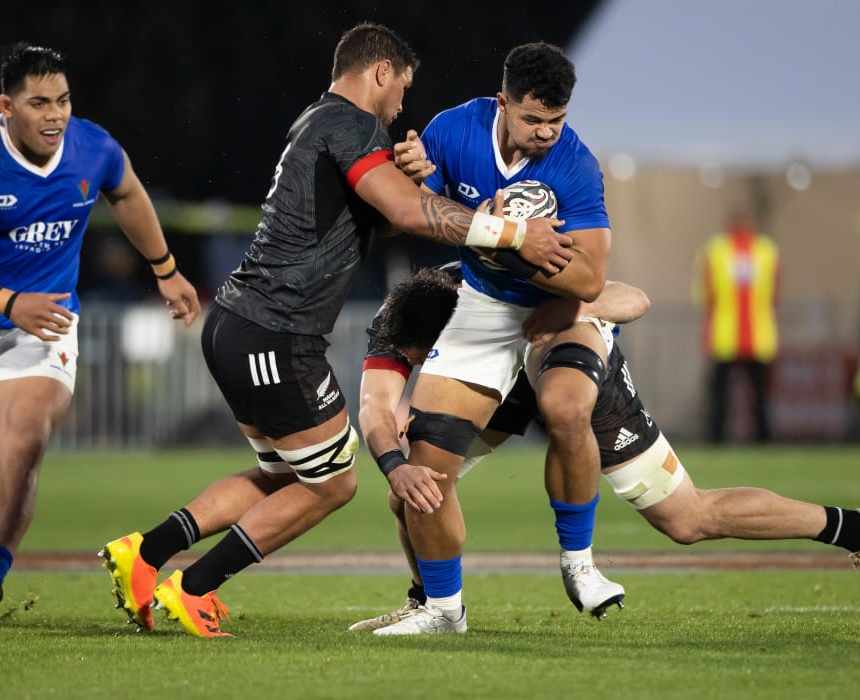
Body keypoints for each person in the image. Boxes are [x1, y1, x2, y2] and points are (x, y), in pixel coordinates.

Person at [99, 22, 573, 638]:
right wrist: (512, 233)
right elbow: (404, 211)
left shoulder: (317, 120)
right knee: (333, 485)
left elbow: (395, 212)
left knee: (283, 478)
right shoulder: (353, 124)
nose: (401, 107)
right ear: (381, 72)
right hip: (277, 332)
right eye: (402, 89)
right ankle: (195, 588)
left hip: (241, 324)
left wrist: (417, 176)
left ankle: (147, 553)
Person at [349, 266, 860, 632]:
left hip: (567, 371)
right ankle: (432, 606)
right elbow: (375, 408)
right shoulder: (398, 321)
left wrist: (569, 313)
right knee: (413, 485)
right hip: (500, 392)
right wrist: (394, 465)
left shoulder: (507, 282)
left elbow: (631, 297)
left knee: (687, 519)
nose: (420, 370)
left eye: (426, 360)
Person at [0, 43, 201, 627]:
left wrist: (166, 270)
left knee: (25, 443)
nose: (55, 115)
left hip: (46, 324)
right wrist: (8, 302)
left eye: (62, 100)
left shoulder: (93, 147)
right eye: (39, 103)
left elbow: (127, 191)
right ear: (6, 107)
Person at [373, 42, 615, 635]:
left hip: (559, 314)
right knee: (425, 469)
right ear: (502, 102)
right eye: (533, 119)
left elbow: (590, 279)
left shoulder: (576, 165)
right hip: (482, 309)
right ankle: (443, 611)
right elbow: (414, 215)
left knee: (572, 413)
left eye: (557, 120)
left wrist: (504, 244)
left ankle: (580, 564)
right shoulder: (454, 130)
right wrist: (418, 179)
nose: (546, 132)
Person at [693, 211, 780, 443]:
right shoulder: (767, 251)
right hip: (755, 334)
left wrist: (707, 330)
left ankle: (716, 437)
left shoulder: (715, 251)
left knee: (723, 392)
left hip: (726, 333)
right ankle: (762, 437)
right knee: (757, 392)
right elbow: (775, 293)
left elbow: (706, 295)